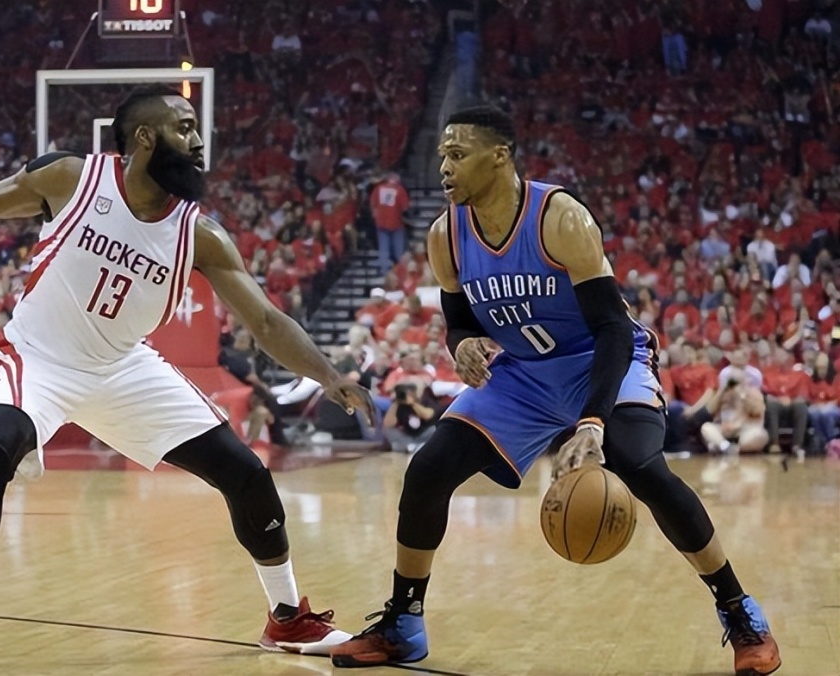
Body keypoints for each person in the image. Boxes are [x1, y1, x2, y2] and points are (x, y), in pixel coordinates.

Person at [0, 88, 375, 676]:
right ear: (145, 137)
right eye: (185, 128)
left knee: (244, 472)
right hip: (38, 357)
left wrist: (328, 375)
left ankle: (286, 617)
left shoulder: (200, 235)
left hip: (122, 368)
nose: (199, 142)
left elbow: (266, 321)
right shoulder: (71, 179)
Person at [329, 106, 781, 676]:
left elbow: (612, 328)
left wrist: (592, 423)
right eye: (442, 154)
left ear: (500, 157)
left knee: (638, 464)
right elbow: (458, 321)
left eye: (457, 154)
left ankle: (739, 610)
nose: (443, 167)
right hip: (523, 374)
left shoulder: (559, 218)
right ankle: (404, 623)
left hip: (599, 359)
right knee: (428, 469)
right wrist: (461, 345)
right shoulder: (446, 234)